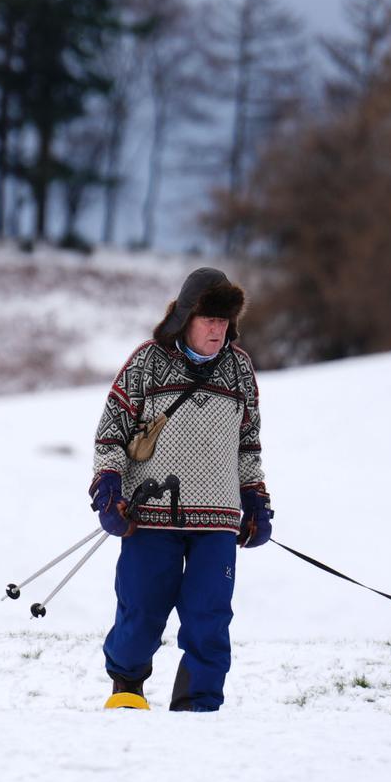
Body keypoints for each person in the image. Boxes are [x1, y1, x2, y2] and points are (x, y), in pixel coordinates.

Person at [89, 267, 272, 712]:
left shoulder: (239, 369)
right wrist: (108, 485)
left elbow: (248, 443)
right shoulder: (147, 362)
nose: (217, 329)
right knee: (142, 611)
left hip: (218, 517)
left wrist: (256, 499)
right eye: (209, 319)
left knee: (210, 618)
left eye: (224, 321)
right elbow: (112, 429)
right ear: (186, 316)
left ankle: (199, 706)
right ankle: (127, 691)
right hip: (151, 512)